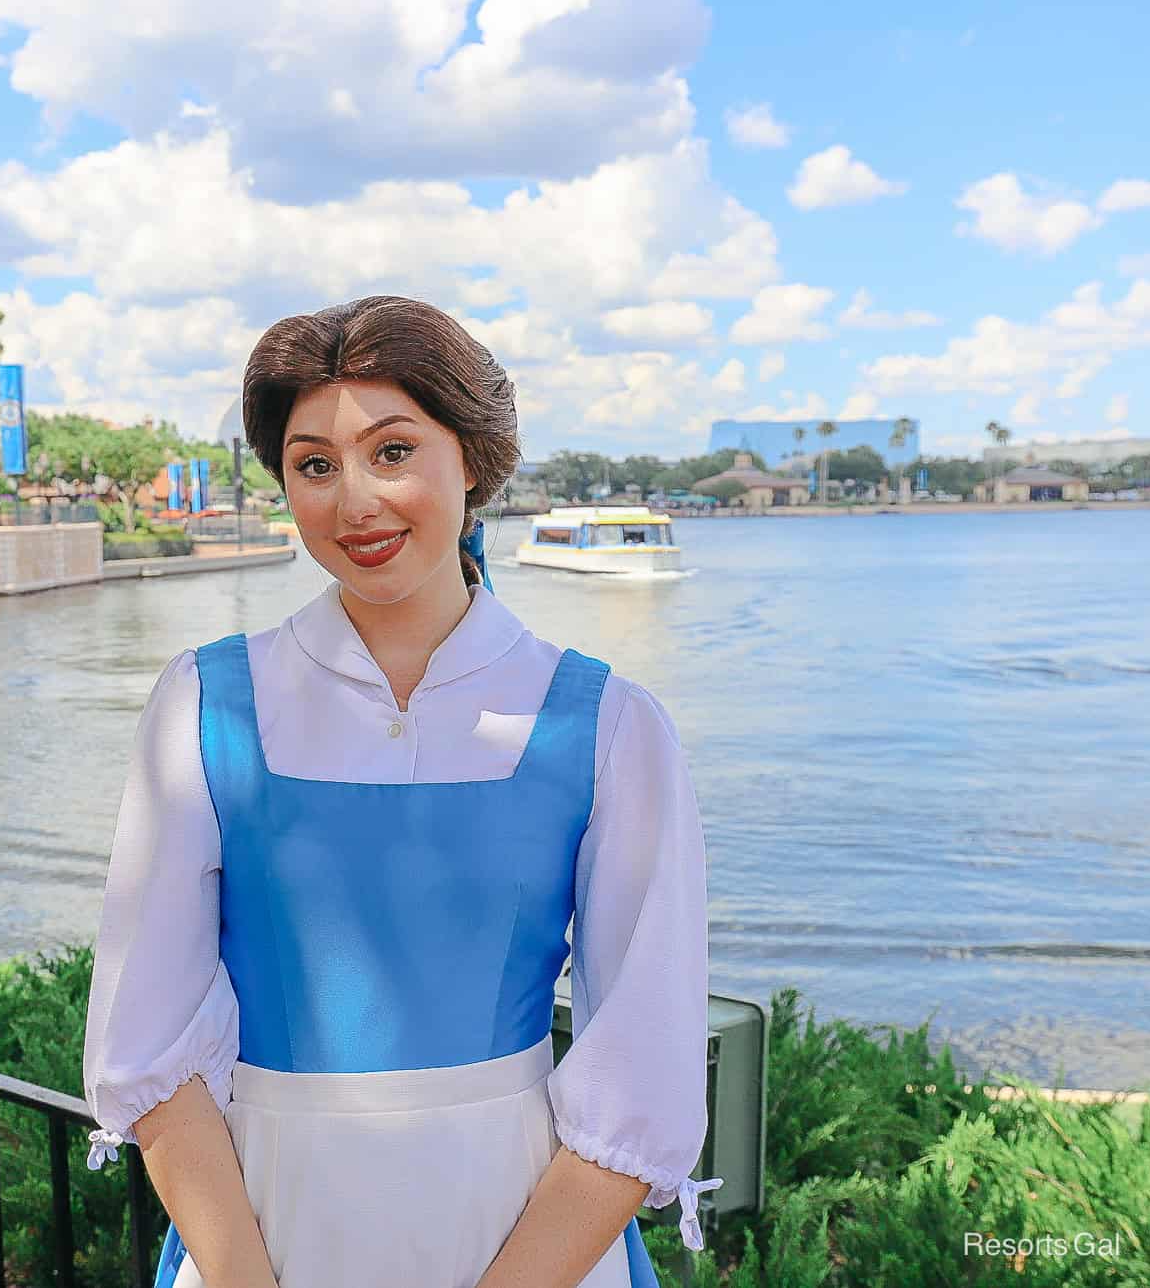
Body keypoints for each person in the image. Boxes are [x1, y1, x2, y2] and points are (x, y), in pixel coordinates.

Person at [82, 296, 718, 1288]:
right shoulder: (204, 707)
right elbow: (148, 1047)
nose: (354, 503)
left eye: (392, 452)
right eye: (315, 465)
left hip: (527, 1241)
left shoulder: (607, 727)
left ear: (473, 459)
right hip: (261, 1236)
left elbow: (644, 1066)